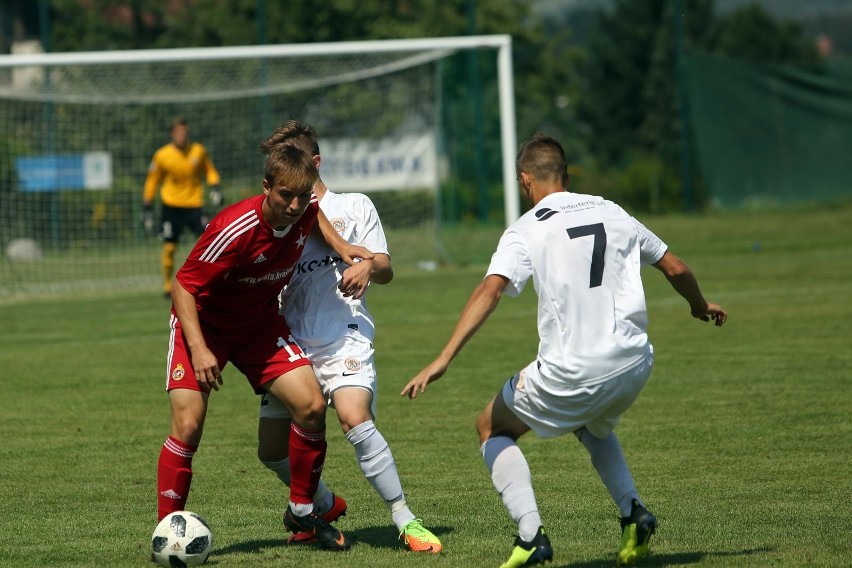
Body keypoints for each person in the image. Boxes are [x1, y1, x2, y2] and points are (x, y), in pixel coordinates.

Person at [401, 132, 727, 567]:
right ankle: (633, 512)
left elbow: (491, 290)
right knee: (592, 425)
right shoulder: (611, 210)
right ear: (567, 176)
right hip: (634, 362)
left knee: (490, 427)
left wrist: (444, 357)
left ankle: (531, 535)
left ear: (524, 181)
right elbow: (676, 267)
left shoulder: (526, 229)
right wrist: (699, 305)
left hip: (574, 370)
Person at [157, 141, 374, 552]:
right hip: (203, 324)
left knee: (311, 406)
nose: (294, 205)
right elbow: (183, 286)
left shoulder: (305, 208)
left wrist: (343, 248)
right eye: (285, 195)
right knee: (188, 426)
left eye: (301, 195)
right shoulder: (233, 229)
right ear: (265, 187)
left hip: (258, 326)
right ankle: (168, 531)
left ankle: (303, 510)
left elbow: (314, 216)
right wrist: (201, 349)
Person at [255, 120, 442, 553]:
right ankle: (320, 503)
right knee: (269, 451)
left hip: (344, 334)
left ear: (314, 162)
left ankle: (405, 519)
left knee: (355, 418)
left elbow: (386, 267)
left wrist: (366, 266)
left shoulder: (355, 205)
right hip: (292, 339)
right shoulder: (281, 213)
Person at [143, 117, 224, 298]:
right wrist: (147, 203)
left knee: (209, 242)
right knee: (170, 247)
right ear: (172, 134)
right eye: (179, 133)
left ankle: (208, 280)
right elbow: (152, 179)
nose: (183, 136)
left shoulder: (198, 151)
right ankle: (166, 286)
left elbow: (209, 169)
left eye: (185, 133)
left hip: (195, 204)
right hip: (171, 206)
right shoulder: (162, 155)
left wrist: (215, 186)